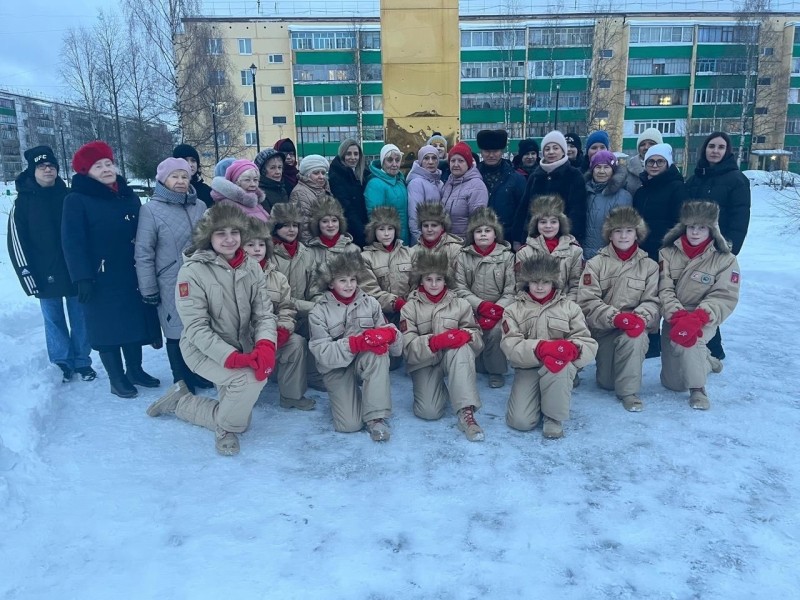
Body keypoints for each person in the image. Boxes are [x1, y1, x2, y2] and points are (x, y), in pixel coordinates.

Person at [146, 204, 278, 455]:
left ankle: (180, 401)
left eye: (234, 232)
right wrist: (231, 357)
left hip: (243, 346)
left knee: (241, 416)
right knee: (247, 381)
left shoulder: (251, 266)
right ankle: (224, 430)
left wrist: (265, 344)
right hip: (203, 350)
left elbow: (264, 312)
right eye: (220, 233)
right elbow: (195, 327)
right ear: (208, 237)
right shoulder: (192, 271)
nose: (229, 239)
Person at [62, 141, 158, 398]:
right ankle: (116, 379)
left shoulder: (127, 195)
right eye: (98, 166)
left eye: (108, 163)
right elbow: (72, 242)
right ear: (86, 171)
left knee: (132, 322)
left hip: (130, 271)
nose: (106, 169)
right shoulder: (77, 200)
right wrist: (82, 277)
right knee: (107, 328)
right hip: (99, 276)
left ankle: (135, 371)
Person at [7, 145, 94, 383]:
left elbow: (85, 234)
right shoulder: (22, 203)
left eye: (52, 166)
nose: (48, 170)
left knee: (80, 316)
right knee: (53, 319)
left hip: (74, 270)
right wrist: (28, 276)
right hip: (44, 273)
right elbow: (17, 243)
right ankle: (62, 362)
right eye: (42, 166)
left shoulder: (69, 198)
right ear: (32, 170)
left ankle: (82, 361)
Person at [308, 253, 403, 441]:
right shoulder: (318, 311)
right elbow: (323, 353)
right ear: (330, 283)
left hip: (363, 362)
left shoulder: (371, 303)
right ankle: (350, 398)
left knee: (379, 354)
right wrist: (355, 343)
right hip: (336, 369)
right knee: (349, 425)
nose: (349, 285)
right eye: (342, 280)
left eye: (352, 279)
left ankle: (376, 417)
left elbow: (397, 349)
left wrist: (391, 335)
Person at [500, 254, 597, 439]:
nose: (540, 286)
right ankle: (538, 397)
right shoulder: (513, 310)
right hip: (528, 367)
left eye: (545, 281)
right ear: (527, 283)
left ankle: (553, 417)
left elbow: (587, 341)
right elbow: (510, 345)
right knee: (520, 422)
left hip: (559, 367)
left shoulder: (570, 308)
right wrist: (540, 349)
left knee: (560, 364)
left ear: (554, 282)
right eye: (534, 281)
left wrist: (573, 349)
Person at [135, 157, 208, 394]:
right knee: (176, 330)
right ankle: (181, 377)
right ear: (163, 179)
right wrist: (148, 289)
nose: (180, 181)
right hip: (170, 280)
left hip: (201, 277)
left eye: (184, 176)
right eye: (174, 176)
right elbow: (144, 252)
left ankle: (198, 372)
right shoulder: (150, 210)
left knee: (198, 325)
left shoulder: (200, 206)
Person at [658, 201, 740, 410]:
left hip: (704, 316)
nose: (695, 232)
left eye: (701, 227)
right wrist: (677, 315)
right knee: (673, 384)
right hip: (674, 314)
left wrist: (699, 317)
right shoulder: (667, 253)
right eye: (691, 227)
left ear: (711, 229)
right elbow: (663, 289)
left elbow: (724, 295)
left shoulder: (725, 259)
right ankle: (708, 361)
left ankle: (698, 390)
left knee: (690, 339)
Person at [578, 207, 659, 412]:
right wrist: (615, 317)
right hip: (604, 327)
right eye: (618, 231)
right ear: (609, 234)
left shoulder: (650, 266)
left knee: (635, 338)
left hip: (634, 326)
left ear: (637, 234)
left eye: (629, 231)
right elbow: (587, 299)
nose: (623, 236)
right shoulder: (596, 263)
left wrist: (640, 318)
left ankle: (629, 393)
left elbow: (653, 300)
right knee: (606, 383)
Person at [400, 249, 485, 441]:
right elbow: (407, 349)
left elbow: (478, 341)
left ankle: (466, 413)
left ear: (446, 280)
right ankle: (442, 389)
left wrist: (466, 335)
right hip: (425, 362)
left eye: (438, 279)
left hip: (453, 358)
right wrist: (434, 342)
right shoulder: (409, 308)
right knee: (429, 412)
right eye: (428, 279)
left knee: (462, 349)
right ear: (420, 280)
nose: (434, 284)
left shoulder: (461, 304)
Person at [685, 131, 751, 362]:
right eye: (711, 146)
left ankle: (713, 349)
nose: (715, 150)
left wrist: (730, 248)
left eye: (720, 147)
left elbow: (740, 217)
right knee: (695, 295)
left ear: (727, 151)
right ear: (704, 149)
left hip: (719, 249)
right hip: (694, 247)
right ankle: (701, 344)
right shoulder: (695, 178)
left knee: (712, 297)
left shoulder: (736, 179)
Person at [241, 219, 315, 411]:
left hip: (272, 335)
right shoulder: (232, 275)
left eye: (261, 245)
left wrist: (283, 328)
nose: (257, 249)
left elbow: (286, 307)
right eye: (250, 244)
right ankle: (240, 396)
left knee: (296, 343)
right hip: (243, 339)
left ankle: (291, 396)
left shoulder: (278, 277)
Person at [632, 143, 687, 359]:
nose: (654, 165)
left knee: (664, 294)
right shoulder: (642, 190)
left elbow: (680, 222)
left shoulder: (677, 188)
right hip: (643, 251)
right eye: (650, 162)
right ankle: (651, 339)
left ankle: (666, 339)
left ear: (668, 163)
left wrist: (670, 247)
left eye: (659, 161)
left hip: (666, 251)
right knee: (646, 295)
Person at [454, 207, 516, 389]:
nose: (482, 235)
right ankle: (474, 364)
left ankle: (496, 370)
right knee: (468, 331)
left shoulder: (506, 257)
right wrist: (480, 306)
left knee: (496, 332)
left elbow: (511, 289)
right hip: (472, 308)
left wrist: (497, 308)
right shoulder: (463, 256)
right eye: (478, 231)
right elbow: (459, 286)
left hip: (499, 309)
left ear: (495, 234)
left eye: (487, 231)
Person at [515, 130, 587, 245]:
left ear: (563, 151)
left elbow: (578, 210)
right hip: (535, 239)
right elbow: (524, 208)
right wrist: (518, 237)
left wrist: (573, 236)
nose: (551, 152)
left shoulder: (574, 175)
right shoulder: (535, 176)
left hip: (563, 240)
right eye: (547, 149)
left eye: (555, 148)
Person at [515, 195, 583, 301]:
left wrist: (565, 307)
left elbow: (576, 286)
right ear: (535, 224)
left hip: (563, 307)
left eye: (553, 221)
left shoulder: (575, 251)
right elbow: (520, 286)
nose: (548, 226)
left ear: (561, 224)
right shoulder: (524, 252)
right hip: (532, 306)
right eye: (543, 222)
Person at [268, 202, 317, 331]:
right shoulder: (268, 254)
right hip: (278, 319)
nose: (292, 230)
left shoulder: (307, 253)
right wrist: (313, 307)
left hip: (306, 319)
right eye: (286, 225)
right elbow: (276, 297)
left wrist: (320, 303)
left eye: (295, 225)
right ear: (275, 228)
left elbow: (315, 287)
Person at [360, 205, 413, 322]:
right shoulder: (366, 257)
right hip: (381, 318)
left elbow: (416, 284)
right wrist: (395, 303)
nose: (386, 234)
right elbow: (369, 290)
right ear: (373, 231)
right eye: (381, 229)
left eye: (390, 228)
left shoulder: (409, 253)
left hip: (410, 314)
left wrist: (411, 305)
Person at [476, 129, 526, 241]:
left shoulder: (516, 179)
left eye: (495, 151)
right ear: (481, 151)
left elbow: (523, 211)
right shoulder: (473, 177)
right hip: (480, 237)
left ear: (502, 151)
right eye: (487, 151)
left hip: (508, 238)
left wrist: (518, 238)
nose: (491, 155)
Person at [306, 197, 361, 299]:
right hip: (320, 306)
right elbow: (311, 289)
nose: (330, 225)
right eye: (325, 221)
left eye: (334, 220)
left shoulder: (353, 250)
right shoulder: (309, 252)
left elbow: (361, 285)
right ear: (317, 224)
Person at [583, 150, 633, 260]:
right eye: (598, 167)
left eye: (606, 167)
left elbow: (622, 230)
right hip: (582, 256)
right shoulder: (584, 192)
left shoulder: (623, 196)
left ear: (613, 170)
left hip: (608, 258)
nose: (601, 171)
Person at [441, 141, 489, 237]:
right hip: (447, 243)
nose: (456, 164)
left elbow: (477, 222)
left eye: (461, 161)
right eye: (453, 160)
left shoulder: (477, 186)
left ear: (468, 164)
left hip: (464, 244)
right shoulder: (449, 183)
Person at [328, 138, 369, 247]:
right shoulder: (336, 176)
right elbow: (346, 207)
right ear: (342, 155)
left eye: (356, 154)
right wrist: (362, 232)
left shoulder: (363, 173)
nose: (353, 158)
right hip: (352, 229)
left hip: (365, 224)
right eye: (349, 154)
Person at [365, 143, 410, 243]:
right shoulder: (375, 184)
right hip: (387, 241)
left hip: (404, 239)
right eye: (390, 160)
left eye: (397, 160)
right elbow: (375, 217)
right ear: (382, 162)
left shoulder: (400, 181)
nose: (394, 164)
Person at [290, 154, 335, 243]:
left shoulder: (324, 189)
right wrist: (313, 248)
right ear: (307, 175)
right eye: (316, 173)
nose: (321, 176)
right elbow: (304, 228)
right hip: (313, 245)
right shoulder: (300, 193)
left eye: (323, 173)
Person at [406, 144, 444, 243]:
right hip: (423, 241)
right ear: (420, 161)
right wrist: (420, 240)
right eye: (426, 158)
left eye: (434, 158)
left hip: (437, 239)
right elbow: (414, 215)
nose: (430, 162)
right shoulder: (416, 183)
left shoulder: (439, 183)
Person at [414, 202, 464, 268]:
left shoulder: (455, 250)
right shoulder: (413, 251)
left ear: (442, 227)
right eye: (425, 226)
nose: (429, 229)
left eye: (434, 225)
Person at [625, 128, 663, 197]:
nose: (646, 147)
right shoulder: (628, 170)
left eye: (651, 144)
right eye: (642, 144)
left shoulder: (668, 171)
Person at [172, 143, 213, 208]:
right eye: (185, 160)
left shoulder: (207, 192)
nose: (190, 164)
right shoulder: (170, 190)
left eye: (193, 160)